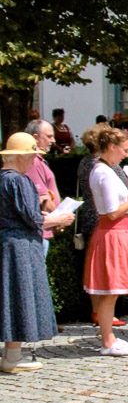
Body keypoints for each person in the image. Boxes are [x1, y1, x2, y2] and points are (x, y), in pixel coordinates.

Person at [1, 134, 74, 373]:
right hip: (20, 246)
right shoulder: (19, 181)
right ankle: (12, 357)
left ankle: (11, 355)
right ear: (23, 156)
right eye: (33, 155)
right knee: (19, 297)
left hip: (7, 243)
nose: (35, 159)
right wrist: (58, 219)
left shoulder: (2, 178)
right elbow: (32, 219)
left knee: (9, 297)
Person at [81, 127, 128, 355]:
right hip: (112, 232)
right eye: (124, 149)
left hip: (114, 232)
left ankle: (109, 338)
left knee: (111, 289)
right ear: (112, 148)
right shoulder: (103, 172)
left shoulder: (104, 169)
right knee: (109, 289)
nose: (126, 154)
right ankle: (108, 341)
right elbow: (112, 212)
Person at [20, 121, 60, 255]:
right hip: (37, 232)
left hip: (41, 230)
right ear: (35, 138)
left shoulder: (38, 161)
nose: (53, 140)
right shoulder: (34, 162)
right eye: (49, 136)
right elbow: (43, 199)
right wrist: (59, 220)